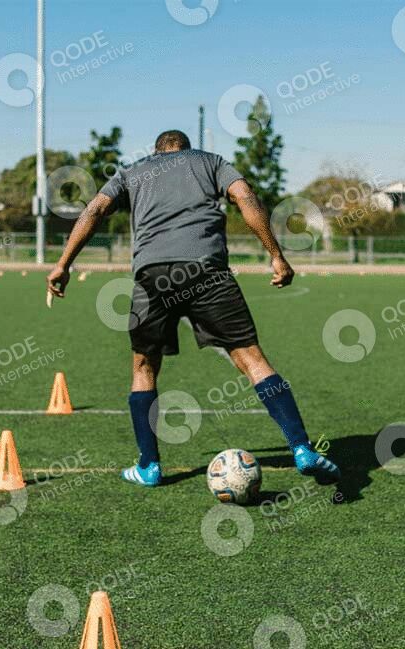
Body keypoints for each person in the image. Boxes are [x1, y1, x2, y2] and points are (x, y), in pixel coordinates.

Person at [47, 129, 340, 487]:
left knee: (144, 366)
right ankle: (302, 449)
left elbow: (94, 210)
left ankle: (149, 467)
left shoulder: (132, 171)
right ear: (186, 149)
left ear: (157, 152)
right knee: (252, 359)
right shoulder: (211, 162)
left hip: (152, 276)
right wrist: (275, 255)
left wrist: (63, 264)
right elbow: (245, 196)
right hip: (208, 272)